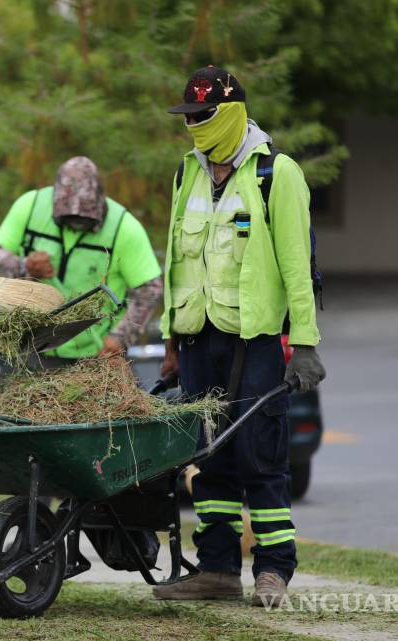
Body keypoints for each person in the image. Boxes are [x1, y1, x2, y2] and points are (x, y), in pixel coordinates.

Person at [152, 67, 326, 606]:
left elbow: (299, 266)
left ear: (230, 113)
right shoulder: (188, 174)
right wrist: (171, 339)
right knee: (208, 457)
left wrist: (306, 341)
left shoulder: (277, 173)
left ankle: (273, 570)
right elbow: (176, 261)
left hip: (254, 340)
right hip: (199, 337)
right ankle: (218, 570)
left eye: (203, 117)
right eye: (188, 118)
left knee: (260, 453)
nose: (195, 127)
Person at [0, 156, 163, 361]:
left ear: (100, 200)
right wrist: (24, 265)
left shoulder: (124, 228)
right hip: (31, 348)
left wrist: (120, 338)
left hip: (95, 357)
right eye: (69, 217)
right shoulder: (30, 206)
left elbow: (150, 289)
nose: (76, 222)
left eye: (84, 217)